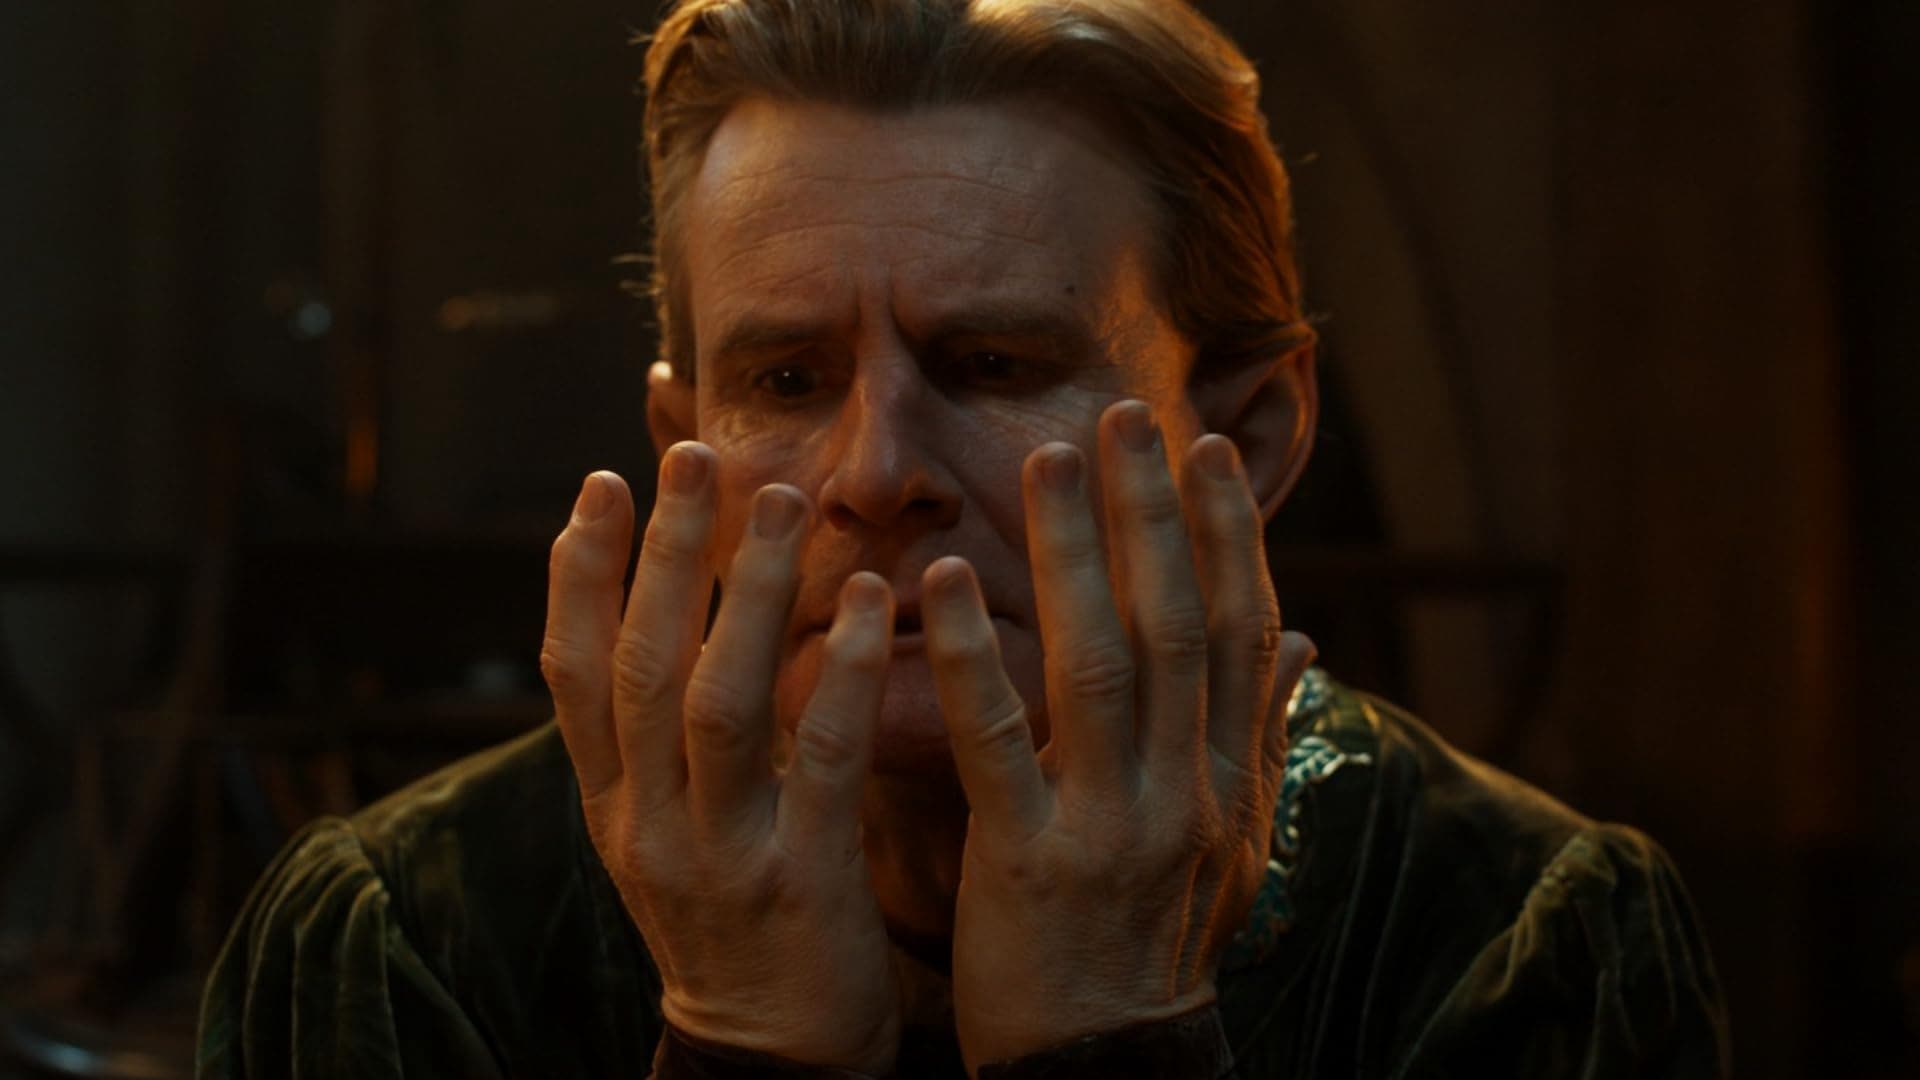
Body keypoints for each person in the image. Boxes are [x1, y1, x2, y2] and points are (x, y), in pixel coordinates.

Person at [196, 1, 1730, 1076]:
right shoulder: (405, 943)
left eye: (993, 365)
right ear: (683, 449)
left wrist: (1114, 1044)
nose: (876, 473)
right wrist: (740, 1046)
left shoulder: (1515, 943)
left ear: (1251, 436)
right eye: (786, 382)